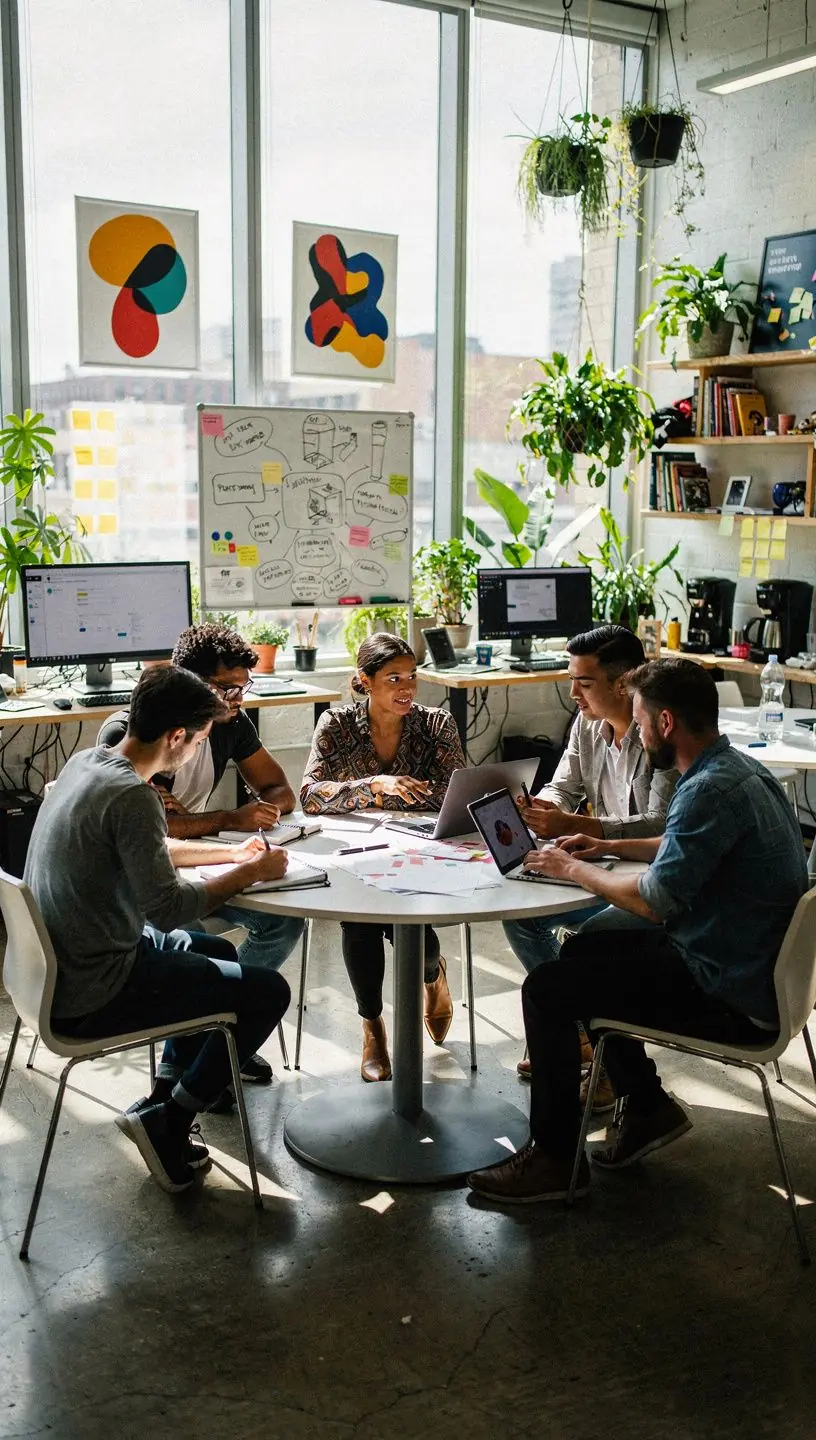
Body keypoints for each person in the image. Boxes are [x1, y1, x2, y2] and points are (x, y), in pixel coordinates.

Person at [468, 658, 808, 1204]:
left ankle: (555, 1161)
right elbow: (679, 843)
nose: (639, 730)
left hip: (730, 988)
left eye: (642, 719)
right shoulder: (735, 770)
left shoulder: (705, 791)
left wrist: (573, 868)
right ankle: (646, 1105)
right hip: (750, 959)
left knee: (548, 989)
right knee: (588, 945)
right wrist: (604, 847)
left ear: (666, 722)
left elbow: (654, 902)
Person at [24, 665, 293, 1196]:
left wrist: (230, 853)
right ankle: (171, 1118)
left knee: (213, 948)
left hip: (60, 963)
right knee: (268, 992)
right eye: (199, 741)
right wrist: (251, 872)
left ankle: (162, 1093)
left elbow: (149, 849)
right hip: (95, 986)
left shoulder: (88, 763)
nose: (196, 752)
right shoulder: (134, 796)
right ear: (177, 737)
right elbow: (168, 907)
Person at [99, 622, 305, 1086]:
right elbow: (153, 832)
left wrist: (229, 824)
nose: (238, 700)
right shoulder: (138, 732)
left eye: (243, 687)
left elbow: (278, 789)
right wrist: (228, 820)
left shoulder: (231, 723)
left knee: (284, 919)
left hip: (190, 857)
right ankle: (206, 1047)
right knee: (184, 928)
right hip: (148, 882)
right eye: (227, 689)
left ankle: (224, 1029)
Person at [503, 625, 677, 1098]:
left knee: (592, 943)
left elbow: (660, 822)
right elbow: (565, 786)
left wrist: (590, 832)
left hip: (647, 879)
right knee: (519, 915)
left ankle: (603, 1055)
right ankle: (580, 1034)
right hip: (601, 865)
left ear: (624, 684)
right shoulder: (585, 725)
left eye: (583, 682)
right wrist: (541, 810)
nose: (572, 693)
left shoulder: (659, 734)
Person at [300, 632, 466, 1081]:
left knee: (417, 939)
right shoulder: (336, 725)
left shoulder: (436, 725)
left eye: (411, 677)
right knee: (359, 924)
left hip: (421, 851)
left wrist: (372, 796)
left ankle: (434, 975)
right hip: (357, 852)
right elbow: (310, 797)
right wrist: (373, 786)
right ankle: (373, 1028)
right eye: (393, 678)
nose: (407, 688)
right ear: (364, 681)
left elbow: (455, 796)